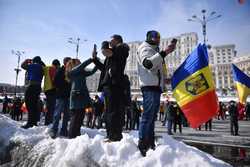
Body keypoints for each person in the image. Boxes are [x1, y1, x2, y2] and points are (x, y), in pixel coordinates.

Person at [136, 30, 176, 156]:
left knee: (152, 117)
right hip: (149, 87)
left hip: (155, 87)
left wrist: (165, 80)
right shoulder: (145, 48)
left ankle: (150, 141)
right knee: (148, 116)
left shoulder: (154, 49)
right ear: (149, 37)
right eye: (155, 37)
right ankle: (143, 143)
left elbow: (156, 71)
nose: (157, 39)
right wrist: (165, 52)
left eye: (159, 37)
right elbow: (148, 64)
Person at [93, 36, 129, 142]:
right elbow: (104, 69)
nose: (109, 41)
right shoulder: (113, 53)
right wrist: (95, 59)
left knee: (113, 111)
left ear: (118, 41)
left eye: (111, 40)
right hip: (109, 84)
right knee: (109, 110)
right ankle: (110, 135)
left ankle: (114, 136)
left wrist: (104, 45)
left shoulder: (121, 48)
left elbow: (106, 52)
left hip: (114, 84)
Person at [67, 57, 97, 138]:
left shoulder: (81, 72)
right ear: (73, 64)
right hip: (76, 98)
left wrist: (97, 62)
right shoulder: (72, 72)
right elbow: (83, 65)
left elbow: (92, 71)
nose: (80, 62)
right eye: (78, 62)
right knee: (75, 119)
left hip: (82, 98)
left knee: (80, 118)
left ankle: (76, 135)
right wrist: (91, 59)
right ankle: (71, 136)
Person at [49, 57, 71, 138]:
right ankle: (54, 130)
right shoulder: (60, 71)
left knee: (66, 115)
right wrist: (64, 84)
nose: (71, 64)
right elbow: (55, 83)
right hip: (60, 96)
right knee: (57, 114)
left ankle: (64, 130)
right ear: (65, 63)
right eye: (69, 62)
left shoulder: (70, 71)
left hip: (68, 96)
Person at [21, 56, 44, 129]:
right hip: (38, 87)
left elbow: (22, 65)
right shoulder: (42, 67)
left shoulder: (31, 65)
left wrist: (27, 60)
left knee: (29, 104)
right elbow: (44, 66)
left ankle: (29, 123)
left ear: (33, 61)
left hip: (31, 86)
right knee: (34, 105)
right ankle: (34, 122)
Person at [43, 59, 61, 125]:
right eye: (58, 66)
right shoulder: (53, 69)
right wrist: (57, 88)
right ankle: (49, 122)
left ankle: (47, 122)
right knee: (51, 108)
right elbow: (53, 79)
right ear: (57, 65)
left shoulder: (46, 68)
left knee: (49, 107)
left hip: (46, 89)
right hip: (52, 89)